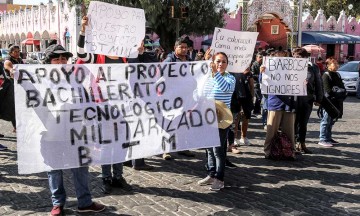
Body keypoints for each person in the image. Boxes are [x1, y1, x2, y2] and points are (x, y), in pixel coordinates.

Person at [42, 44, 105, 216]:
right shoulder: (40, 79)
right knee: (54, 168)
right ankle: (57, 204)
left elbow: (86, 102)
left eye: (64, 58)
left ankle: (84, 203)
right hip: (52, 131)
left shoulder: (76, 79)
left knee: (80, 165)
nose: (61, 61)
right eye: (56, 58)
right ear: (49, 62)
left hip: (76, 131)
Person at [77, 16, 138, 194]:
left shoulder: (124, 58)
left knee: (120, 142)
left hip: (121, 106)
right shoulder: (98, 56)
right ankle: (106, 178)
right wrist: (83, 30)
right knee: (105, 143)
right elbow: (81, 53)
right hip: (102, 105)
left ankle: (118, 176)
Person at [197, 51, 235, 190]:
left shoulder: (230, 78)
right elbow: (202, 93)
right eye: (218, 61)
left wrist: (216, 74)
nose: (220, 64)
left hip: (222, 118)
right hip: (208, 116)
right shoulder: (209, 77)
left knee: (218, 149)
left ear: (227, 64)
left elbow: (226, 88)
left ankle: (220, 178)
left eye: (223, 61)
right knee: (209, 148)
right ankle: (211, 173)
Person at [162, 37, 195, 159]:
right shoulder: (169, 60)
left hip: (186, 97)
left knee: (184, 123)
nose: (184, 49)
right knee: (169, 123)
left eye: (186, 47)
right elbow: (161, 74)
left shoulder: (189, 60)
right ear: (175, 48)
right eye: (181, 47)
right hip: (172, 98)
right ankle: (166, 149)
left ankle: (183, 147)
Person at [262, 51, 297, 160]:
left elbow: (298, 83)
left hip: (289, 104)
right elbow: (262, 83)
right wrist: (262, 73)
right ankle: (267, 151)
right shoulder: (268, 70)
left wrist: (302, 82)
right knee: (271, 130)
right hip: (275, 103)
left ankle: (290, 151)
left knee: (290, 131)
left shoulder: (293, 70)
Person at [294, 48, 323, 154]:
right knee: (292, 122)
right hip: (293, 99)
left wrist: (319, 99)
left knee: (303, 123)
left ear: (305, 58)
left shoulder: (313, 68)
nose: (297, 59)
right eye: (295, 57)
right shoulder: (290, 66)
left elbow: (319, 83)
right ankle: (291, 144)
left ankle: (302, 143)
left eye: (299, 57)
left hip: (307, 99)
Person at [318, 58, 346, 147]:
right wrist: (338, 93)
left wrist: (342, 93)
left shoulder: (337, 74)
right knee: (326, 120)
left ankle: (328, 137)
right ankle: (322, 138)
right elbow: (327, 90)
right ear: (328, 65)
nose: (337, 65)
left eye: (337, 63)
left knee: (331, 121)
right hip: (329, 102)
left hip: (337, 101)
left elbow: (342, 86)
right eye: (334, 63)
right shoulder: (325, 75)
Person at [228, 66, 254, 150]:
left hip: (246, 97)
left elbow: (251, 85)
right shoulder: (231, 72)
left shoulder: (249, 73)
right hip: (235, 97)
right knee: (236, 118)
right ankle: (234, 138)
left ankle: (244, 137)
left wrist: (252, 97)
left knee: (246, 117)